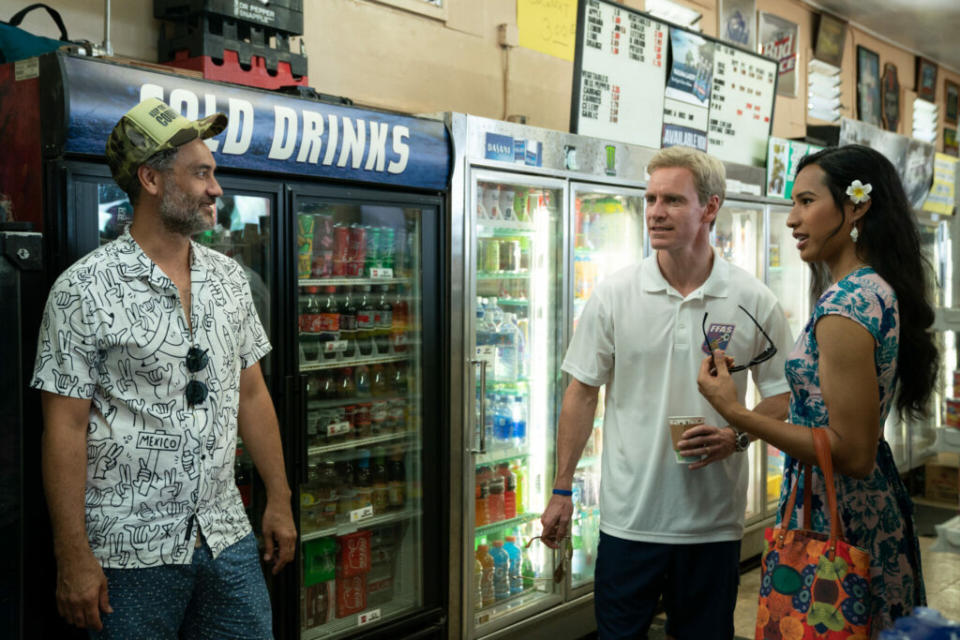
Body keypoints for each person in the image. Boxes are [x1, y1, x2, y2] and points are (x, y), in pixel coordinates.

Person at [32, 98, 297, 638]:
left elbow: (251, 395)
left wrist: (280, 499)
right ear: (151, 179)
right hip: (128, 553)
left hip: (227, 537)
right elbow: (64, 427)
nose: (215, 189)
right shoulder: (83, 290)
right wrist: (73, 557)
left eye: (213, 173)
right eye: (200, 173)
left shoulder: (230, 280)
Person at [540, 146, 793, 639]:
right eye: (650, 198)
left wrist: (736, 436)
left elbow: (782, 394)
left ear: (710, 208)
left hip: (712, 525)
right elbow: (581, 392)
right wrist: (561, 489)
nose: (655, 212)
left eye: (673, 200)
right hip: (627, 523)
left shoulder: (752, 299)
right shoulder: (615, 294)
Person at [697, 144, 935, 637]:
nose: (791, 220)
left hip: (841, 518)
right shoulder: (874, 289)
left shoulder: (846, 307)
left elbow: (851, 453)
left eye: (806, 202)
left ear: (856, 207)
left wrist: (734, 412)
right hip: (861, 507)